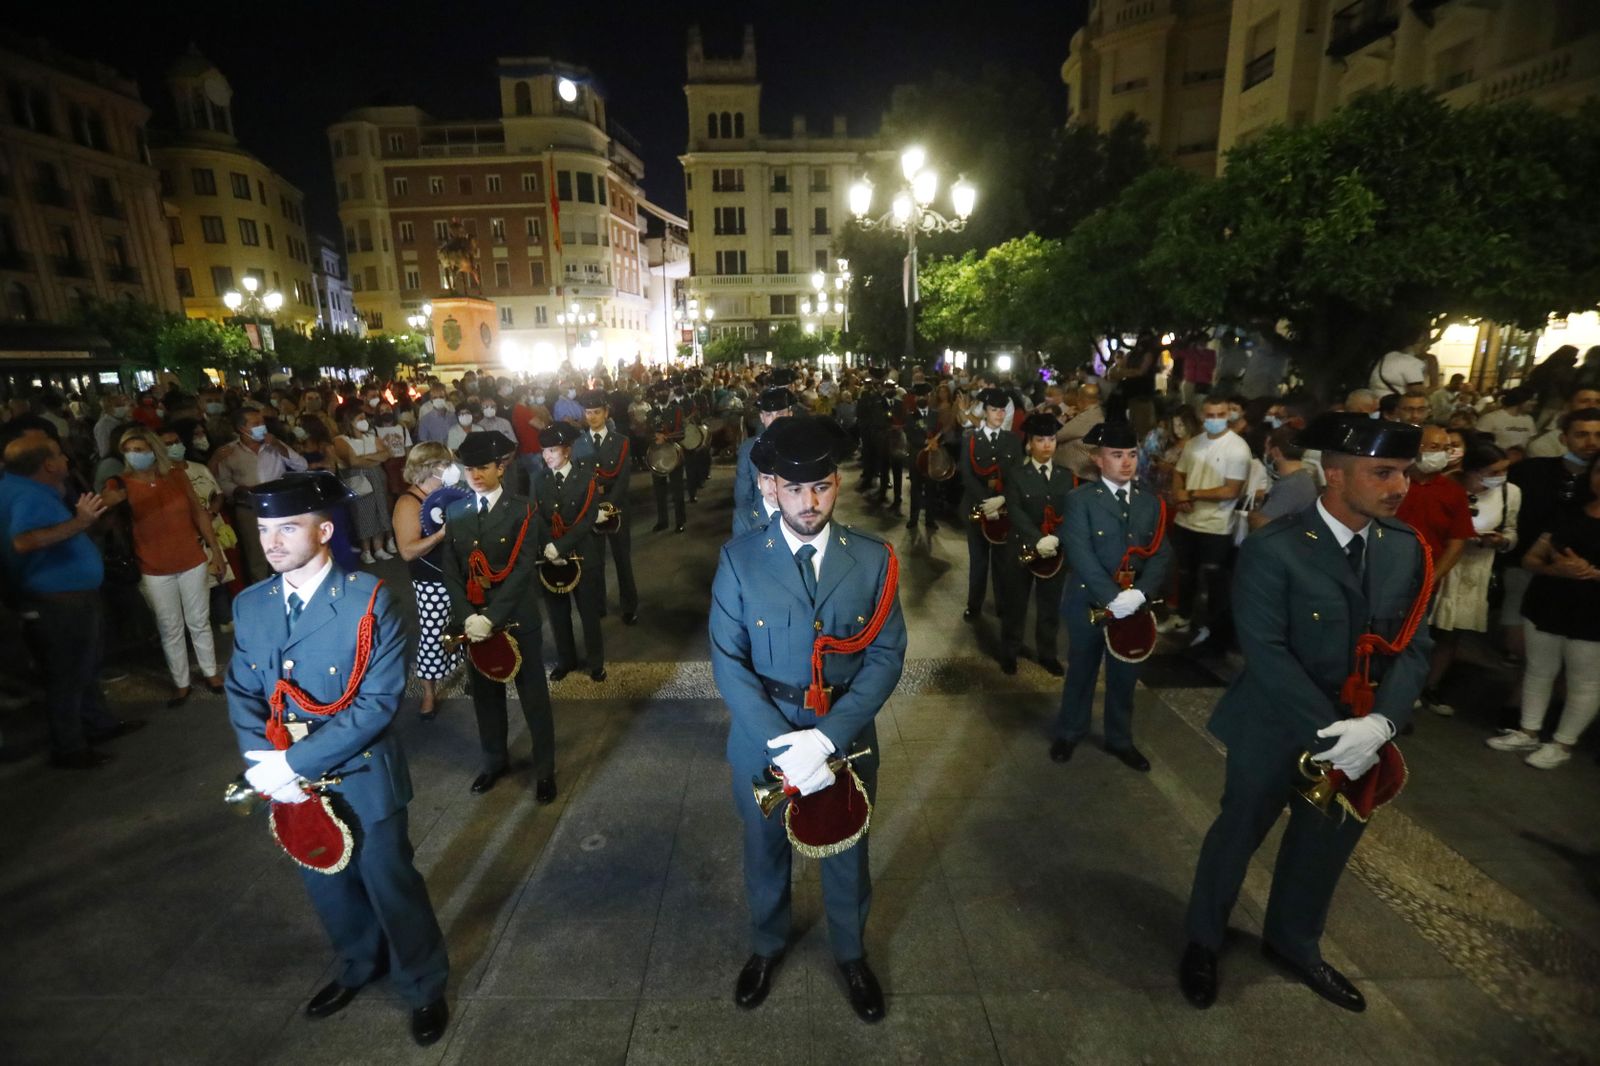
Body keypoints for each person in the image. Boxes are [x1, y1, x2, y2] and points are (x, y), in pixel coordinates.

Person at [1180, 413, 1432, 1014]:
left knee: (1323, 846)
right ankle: (1202, 941)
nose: (1400, 486)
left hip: (1362, 735)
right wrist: (1337, 733)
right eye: (1383, 472)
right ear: (1335, 475)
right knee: (1237, 834)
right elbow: (1265, 650)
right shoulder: (1276, 547)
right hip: (1274, 725)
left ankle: (1294, 944)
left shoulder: (1405, 548)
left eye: (1405, 472)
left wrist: (1380, 725)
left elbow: (1415, 644)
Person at [224, 471, 449, 1046]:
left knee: (390, 885)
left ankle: (423, 984)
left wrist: (291, 766)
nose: (271, 542)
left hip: (360, 775)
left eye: (287, 528)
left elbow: (376, 705)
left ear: (324, 531)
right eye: (264, 529)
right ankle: (358, 963)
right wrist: (265, 762)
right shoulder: (252, 604)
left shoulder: (367, 601)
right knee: (327, 883)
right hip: (287, 779)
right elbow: (242, 689)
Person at [707, 415, 907, 1023]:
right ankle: (767, 945)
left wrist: (824, 739)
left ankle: (851, 953)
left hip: (844, 735)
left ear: (836, 483)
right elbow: (728, 663)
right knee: (764, 849)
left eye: (820, 486)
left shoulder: (870, 559)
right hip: (763, 737)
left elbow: (886, 656)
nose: (809, 502)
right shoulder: (741, 560)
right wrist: (784, 743)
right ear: (772, 488)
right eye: (795, 489)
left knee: (848, 849)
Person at [1, 430, 144, 768]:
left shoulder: (30, 489)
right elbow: (24, 541)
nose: (66, 458)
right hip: (57, 602)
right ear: (48, 465)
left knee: (83, 667)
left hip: (66, 597)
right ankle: (70, 747)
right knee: (67, 675)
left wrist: (92, 518)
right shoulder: (28, 497)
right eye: (58, 454)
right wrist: (80, 521)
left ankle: (98, 725)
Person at [439, 431, 557, 799]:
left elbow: (522, 571)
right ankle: (494, 762)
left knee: (533, 698)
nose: (475, 475)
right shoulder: (457, 511)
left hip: (515, 618)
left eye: (483, 468)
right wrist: (467, 616)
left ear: (500, 468)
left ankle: (545, 770)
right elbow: (451, 570)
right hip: (473, 622)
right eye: (469, 469)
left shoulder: (522, 509)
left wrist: (490, 617)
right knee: (486, 699)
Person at [1052, 421, 1172, 770]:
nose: (1126, 462)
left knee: (1125, 675)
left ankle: (1119, 739)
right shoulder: (1080, 500)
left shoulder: (1150, 503)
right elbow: (1080, 552)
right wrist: (1112, 598)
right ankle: (1070, 731)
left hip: (1133, 604)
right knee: (1082, 669)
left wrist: (1140, 594)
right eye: (1116, 455)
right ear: (1098, 459)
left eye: (1132, 454)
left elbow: (1161, 552)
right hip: (1088, 601)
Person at [1486, 451, 1600, 769]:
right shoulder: (1570, 511)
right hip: (1548, 600)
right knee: (1538, 670)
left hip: (1593, 613)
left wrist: (1591, 573)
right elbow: (1531, 558)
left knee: (1585, 681)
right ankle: (1528, 731)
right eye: (1598, 471)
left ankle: (1563, 744)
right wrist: (1555, 570)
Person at [109, 427, 226, 706]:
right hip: (153, 564)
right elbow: (104, 514)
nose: (133, 455)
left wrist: (216, 550)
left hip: (190, 557)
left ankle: (210, 672)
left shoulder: (175, 476)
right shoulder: (120, 484)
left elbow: (198, 513)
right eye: (128, 451)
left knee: (199, 620)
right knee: (169, 625)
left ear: (154, 450)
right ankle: (181, 682)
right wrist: (108, 504)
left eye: (139, 450)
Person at [1423, 441, 1518, 716]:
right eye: (1494, 471)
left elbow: (1512, 531)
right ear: (1474, 470)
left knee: (1451, 633)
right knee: (1421, 627)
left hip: (1473, 569)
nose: (1500, 477)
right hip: (1441, 560)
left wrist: (1501, 541)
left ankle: (1431, 686)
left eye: (1504, 470)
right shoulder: (1445, 485)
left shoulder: (1510, 493)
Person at [1164, 397, 1251, 651]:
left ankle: (1213, 630)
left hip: (1216, 525)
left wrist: (1191, 494)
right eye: (1210, 415)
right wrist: (1179, 494)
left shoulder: (1237, 448)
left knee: (1214, 580)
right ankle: (1182, 617)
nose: (1215, 420)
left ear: (1227, 415)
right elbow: (1179, 473)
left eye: (1220, 415)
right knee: (1185, 573)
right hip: (1186, 521)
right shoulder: (1194, 444)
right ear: (1202, 416)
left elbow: (1231, 490)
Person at [393, 442, 464, 720]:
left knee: (467, 624)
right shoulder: (409, 503)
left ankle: (473, 672)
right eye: (445, 464)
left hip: (459, 572)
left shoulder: (448, 493)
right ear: (429, 467)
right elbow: (407, 550)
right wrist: (440, 535)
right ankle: (428, 694)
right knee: (433, 634)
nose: (451, 469)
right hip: (431, 580)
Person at [1000, 412, 1075, 676]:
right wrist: (1037, 539)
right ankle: (1010, 651)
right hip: (1022, 546)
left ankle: (1047, 653)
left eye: (1051, 439)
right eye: (1040, 440)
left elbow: (1071, 512)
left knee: (1049, 604)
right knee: (1016, 602)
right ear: (1029, 443)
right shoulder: (1016, 474)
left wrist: (1056, 539)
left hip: (1054, 551)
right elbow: (1015, 510)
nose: (1047, 445)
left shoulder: (1066, 476)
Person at [533, 422, 606, 683]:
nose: (547, 456)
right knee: (558, 614)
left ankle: (596, 663)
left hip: (581, 555)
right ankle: (566, 660)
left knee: (588, 614)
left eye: (553, 450)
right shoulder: (539, 480)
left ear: (567, 451)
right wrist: (548, 547)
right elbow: (536, 516)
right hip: (550, 558)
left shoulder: (586, 479)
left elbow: (587, 520)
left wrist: (560, 546)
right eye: (544, 451)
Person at [210, 406, 309, 583]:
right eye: (255, 423)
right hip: (249, 508)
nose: (261, 427)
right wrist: (238, 489)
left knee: (286, 547)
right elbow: (222, 481)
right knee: (256, 554)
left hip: (279, 505)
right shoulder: (229, 452)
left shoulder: (274, 445)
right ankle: (263, 589)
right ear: (241, 428)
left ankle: (293, 584)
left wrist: (278, 445)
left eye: (262, 422)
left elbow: (302, 465)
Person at [572, 389, 639, 624]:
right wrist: (592, 507)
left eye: (597, 412)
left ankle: (629, 605)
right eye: (588, 412)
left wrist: (608, 506)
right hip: (590, 508)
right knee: (595, 560)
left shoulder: (621, 441)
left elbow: (623, 479)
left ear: (606, 413)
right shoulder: (578, 443)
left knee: (622, 559)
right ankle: (599, 604)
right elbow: (577, 478)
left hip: (616, 506)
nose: (592, 417)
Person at [961, 388, 1022, 621]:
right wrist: (986, 502)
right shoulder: (970, 439)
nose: (999, 414)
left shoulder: (1012, 441)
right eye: (994, 409)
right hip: (977, 508)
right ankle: (974, 605)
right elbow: (967, 475)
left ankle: (1002, 605)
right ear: (985, 411)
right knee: (978, 560)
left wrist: (1002, 499)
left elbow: (1016, 475)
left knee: (1002, 561)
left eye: (1002, 410)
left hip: (1003, 509)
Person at [334, 409, 396, 564]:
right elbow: (352, 461)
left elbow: (385, 454)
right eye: (360, 418)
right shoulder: (341, 440)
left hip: (377, 477)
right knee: (363, 512)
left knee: (380, 509)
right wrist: (374, 459)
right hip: (358, 480)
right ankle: (366, 550)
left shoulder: (372, 437)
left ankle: (379, 548)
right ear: (350, 422)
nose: (364, 421)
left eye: (365, 418)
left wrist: (365, 457)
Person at [733, 387, 793, 537]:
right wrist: (748, 528)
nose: (774, 420)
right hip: (763, 522)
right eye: (768, 415)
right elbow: (743, 497)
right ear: (761, 417)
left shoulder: (803, 447)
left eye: (780, 414)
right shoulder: (748, 449)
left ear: (790, 414)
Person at [1249, 427, 1319, 530]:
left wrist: (1252, 516)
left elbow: (1261, 525)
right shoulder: (1299, 479)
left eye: (1267, 448)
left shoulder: (1291, 485)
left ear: (1276, 452)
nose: (1266, 453)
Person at [649, 383, 688, 533]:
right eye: (659, 392)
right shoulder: (651, 413)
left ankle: (680, 521)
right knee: (659, 491)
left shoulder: (677, 410)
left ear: (668, 392)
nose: (662, 394)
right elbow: (646, 434)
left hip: (674, 455)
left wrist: (666, 437)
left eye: (664, 391)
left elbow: (682, 433)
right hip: (657, 456)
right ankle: (662, 521)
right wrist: (654, 437)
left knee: (677, 491)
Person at [1526, 386, 1600, 458]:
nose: (1593, 406)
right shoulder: (1545, 445)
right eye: (1584, 401)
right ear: (1568, 406)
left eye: (1598, 402)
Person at [1477, 387, 1539, 451]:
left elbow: (1530, 442)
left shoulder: (1529, 419)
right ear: (1520, 399)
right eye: (1532, 400)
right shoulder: (1490, 418)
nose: (1535, 403)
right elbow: (1480, 445)